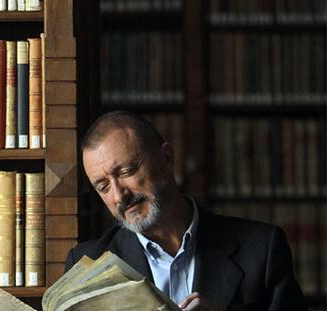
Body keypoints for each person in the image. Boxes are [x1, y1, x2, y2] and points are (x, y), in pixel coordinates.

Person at [65, 110, 307, 311]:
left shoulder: (261, 250)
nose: (119, 196)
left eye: (127, 172)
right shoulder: (88, 265)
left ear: (166, 159)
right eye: (103, 186)